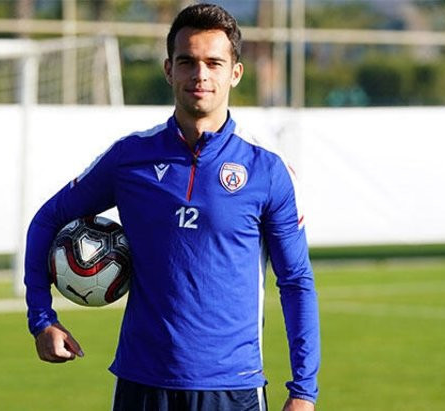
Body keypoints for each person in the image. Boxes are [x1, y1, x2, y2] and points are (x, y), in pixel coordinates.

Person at [25, 4, 320, 410]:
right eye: (187, 62)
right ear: (169, 69)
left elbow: (296, 280)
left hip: (232, 387)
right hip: (142, 383)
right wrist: (42, 318)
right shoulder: (130, 157)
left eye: (214, 63)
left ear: (235, 73)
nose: (200, 75)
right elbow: (48, 219)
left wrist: (303, 390)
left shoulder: (267, 170)